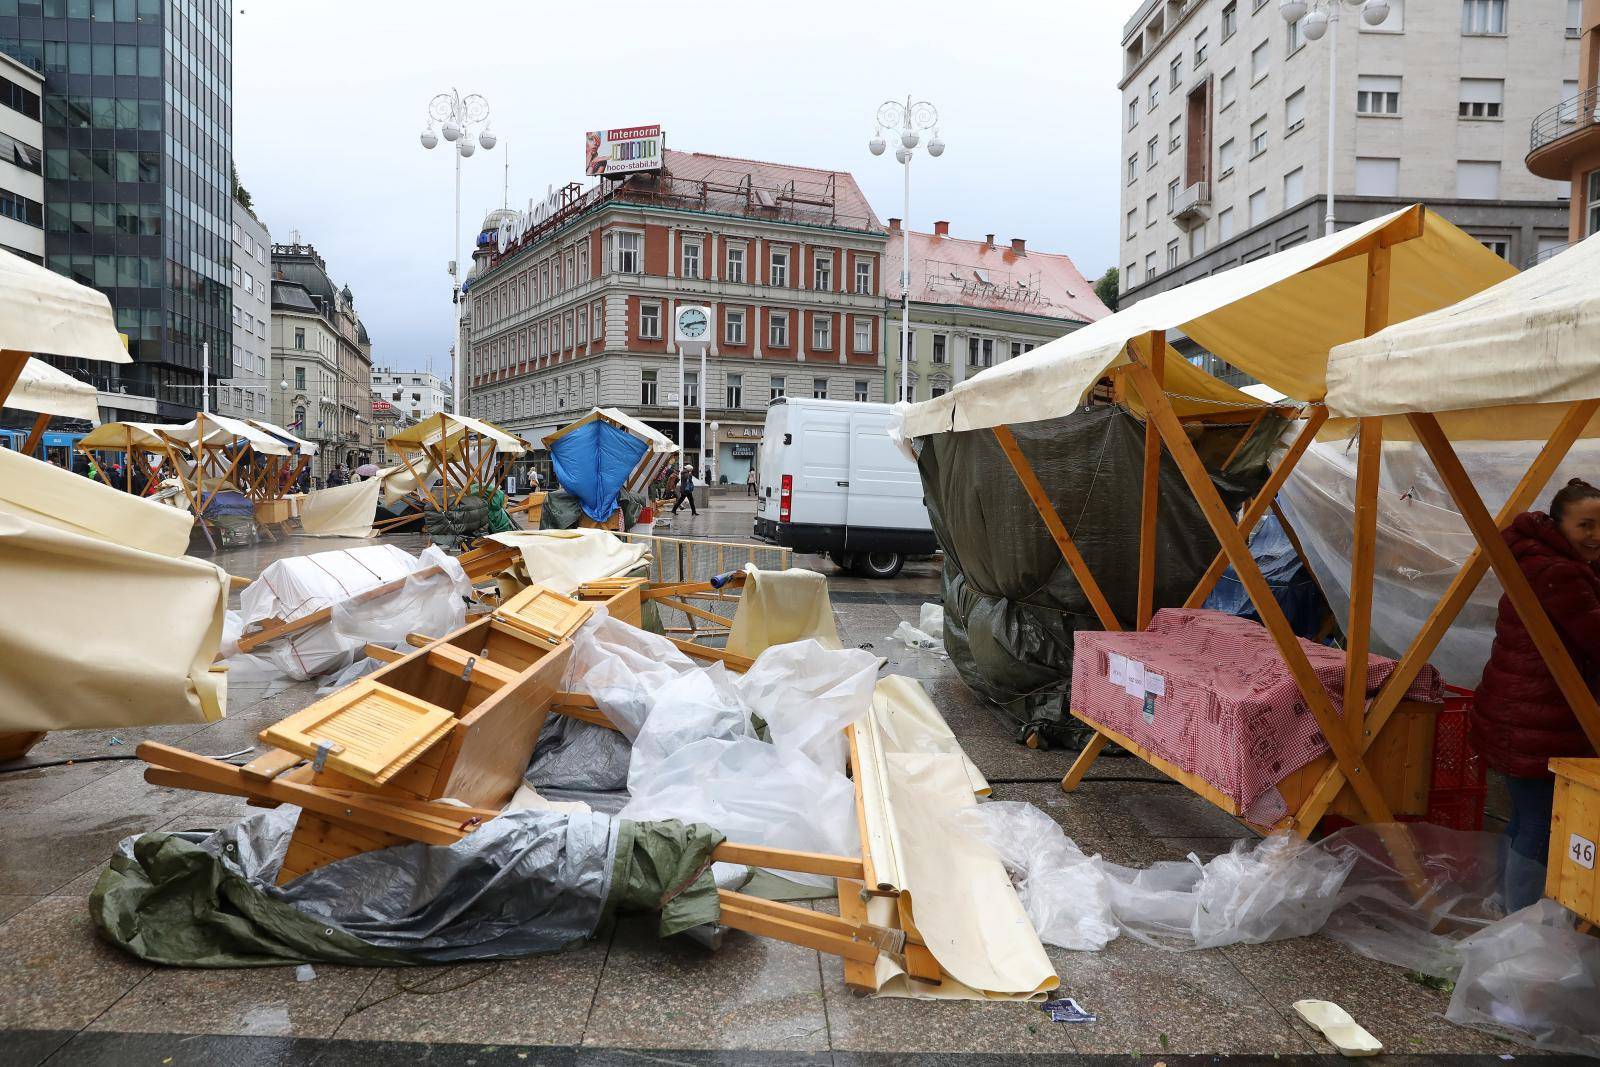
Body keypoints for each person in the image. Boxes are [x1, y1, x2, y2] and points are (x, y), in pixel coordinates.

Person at [1473, 477, 1600, 912]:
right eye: (1586, 525)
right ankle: (1521, 921)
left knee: (1525, 816)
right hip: (1537, 719)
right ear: (1559, 525)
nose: (1596, 536)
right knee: (1541, 823)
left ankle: (1506, 906)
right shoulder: (1558, 573)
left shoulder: (1538, 560)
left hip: (1519, 713)